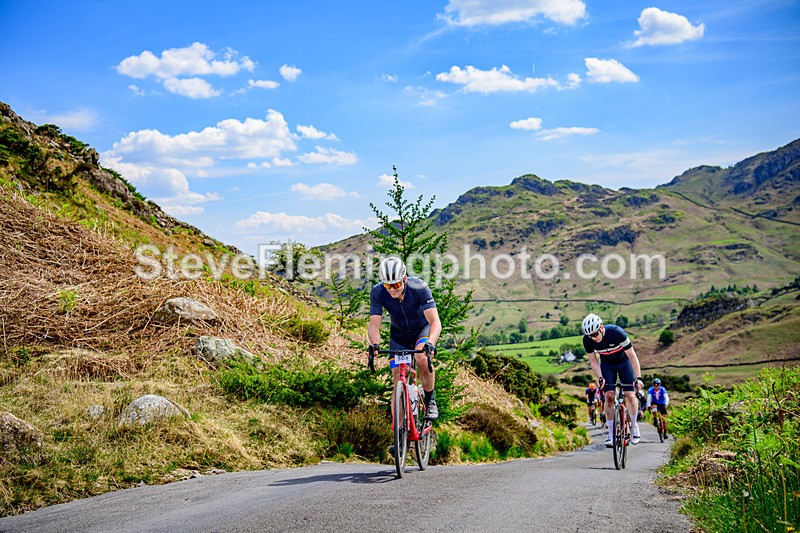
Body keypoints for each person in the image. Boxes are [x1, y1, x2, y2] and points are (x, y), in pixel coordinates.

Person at [367, 256, 442, 420]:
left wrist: (431, 342)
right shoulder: (378, 291)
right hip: (399, 335)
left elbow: (435, 321)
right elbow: (374, 324)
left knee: (421, 358)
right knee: (398, 378)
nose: (392, 289)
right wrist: (375, 344)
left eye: (396, 284)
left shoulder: (419, 287)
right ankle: (399, 437)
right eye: (388, 285)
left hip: (422, 330)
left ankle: (430, 401)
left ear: (405, 279)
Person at [582, 313, 645, 447]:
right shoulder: (587, 340)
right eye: (590, 336)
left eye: (595, 334)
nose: (593, 338)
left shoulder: (617, 333)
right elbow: (593, 361)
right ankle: (611, 434)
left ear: (601, 328)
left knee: (629, 395)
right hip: (607, 365)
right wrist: (600, 378)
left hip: (624, 363)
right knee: (609, 396)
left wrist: (638, 378)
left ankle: (634, 426)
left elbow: (632, 356)